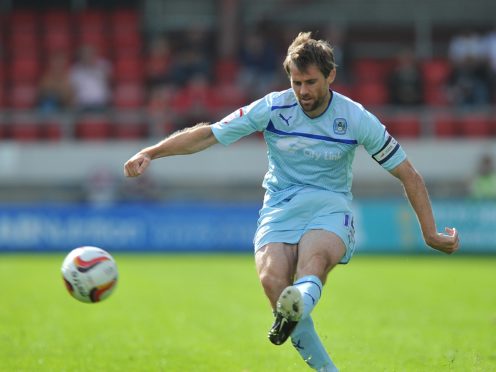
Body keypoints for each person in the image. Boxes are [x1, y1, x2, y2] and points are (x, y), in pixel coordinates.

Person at [123, 32, 460, 371]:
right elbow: (210, 133)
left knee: (311, 263)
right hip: (281, 205)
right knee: (272, 281)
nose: (303, 92)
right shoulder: (273, 107)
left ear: (331, 76)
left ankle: (299, 301)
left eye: (311, 82)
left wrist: (429, 232)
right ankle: (318, 347)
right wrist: (151, 152)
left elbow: (408, 173)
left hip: (330, 206)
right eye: (296, 82)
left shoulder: (355, 117)